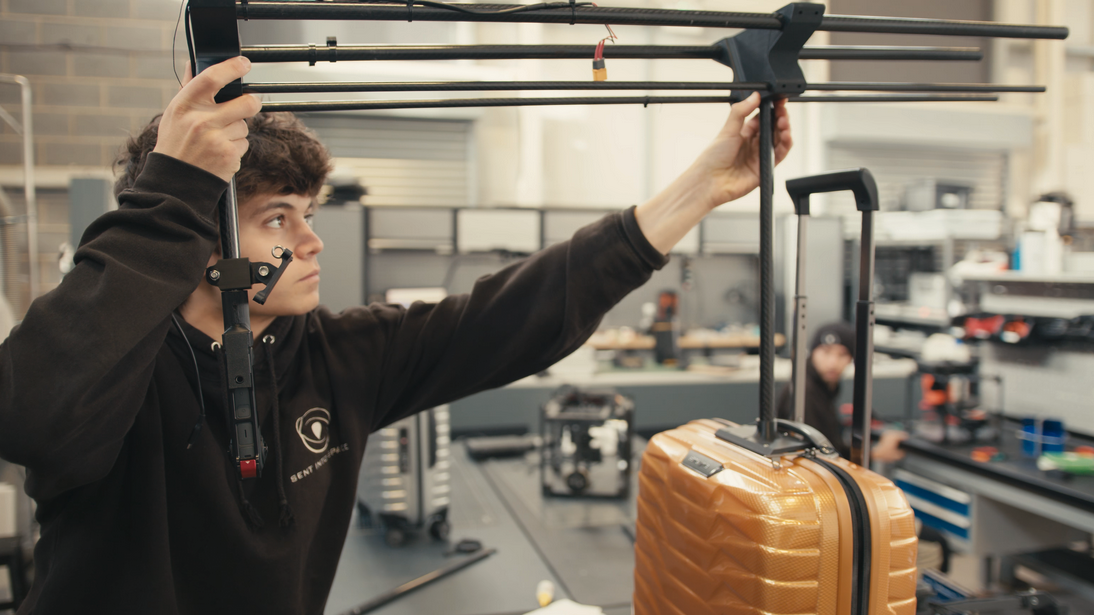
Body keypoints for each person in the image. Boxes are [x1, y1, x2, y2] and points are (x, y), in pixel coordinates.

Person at [0, 56, 791, 613]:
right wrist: (174, 188)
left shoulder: (333, 360)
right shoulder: (114, 381)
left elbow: (508, 315)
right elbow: (29, 411)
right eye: (279, 220)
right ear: (203, 246)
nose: (313, 243)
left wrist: (705, 185)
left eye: (310, 216)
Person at [776, 322, 906, 462]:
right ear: (813, 352)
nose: (833, 362)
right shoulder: (804, 393)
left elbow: (830, 445)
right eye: (826, 352)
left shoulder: (823, 386)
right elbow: (822, 457)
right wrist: (875, 454)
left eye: (842, 354)